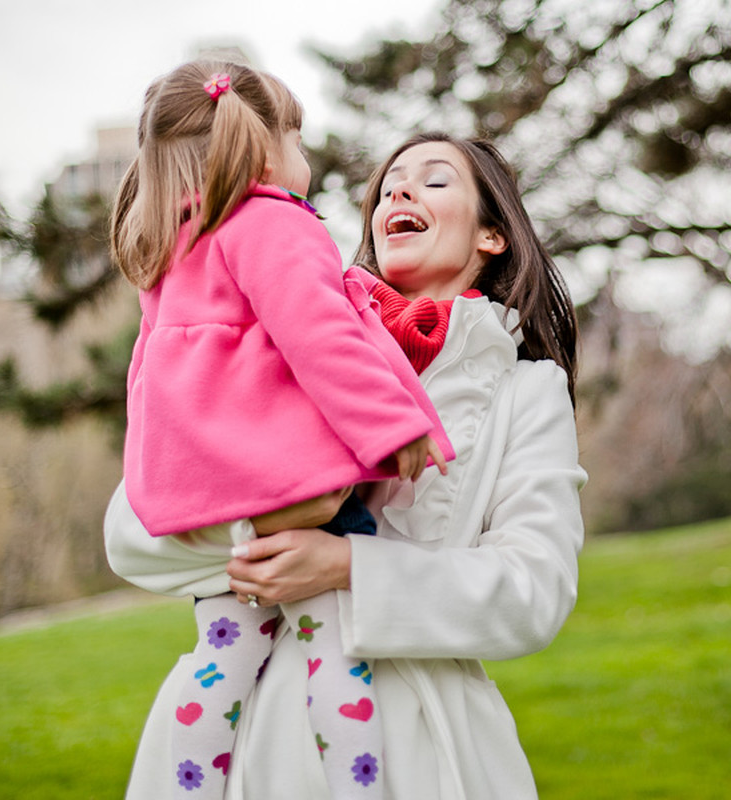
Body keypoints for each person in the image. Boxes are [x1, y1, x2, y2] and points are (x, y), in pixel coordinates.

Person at [106, 131, 586, 799]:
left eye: (435, 180)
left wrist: (348, 567)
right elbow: (130, 532)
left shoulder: (525, 393)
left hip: (421, 750)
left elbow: (533, 591)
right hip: (241, 743)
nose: (399, 191)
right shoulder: (275, 342)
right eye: (389, 186)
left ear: (492, 236)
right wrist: (260, 530)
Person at [109, 60, 452, 799]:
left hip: (224, 496)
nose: (307, 151)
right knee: (336, 650)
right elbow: (322, 336)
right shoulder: (271, 223)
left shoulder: (172, 249)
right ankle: (357, 788)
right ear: (264, 148)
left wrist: (167, 479)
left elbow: (149, 381)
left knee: (221, 659)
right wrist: (391, 427)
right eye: (297, 133)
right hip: (300, 482)